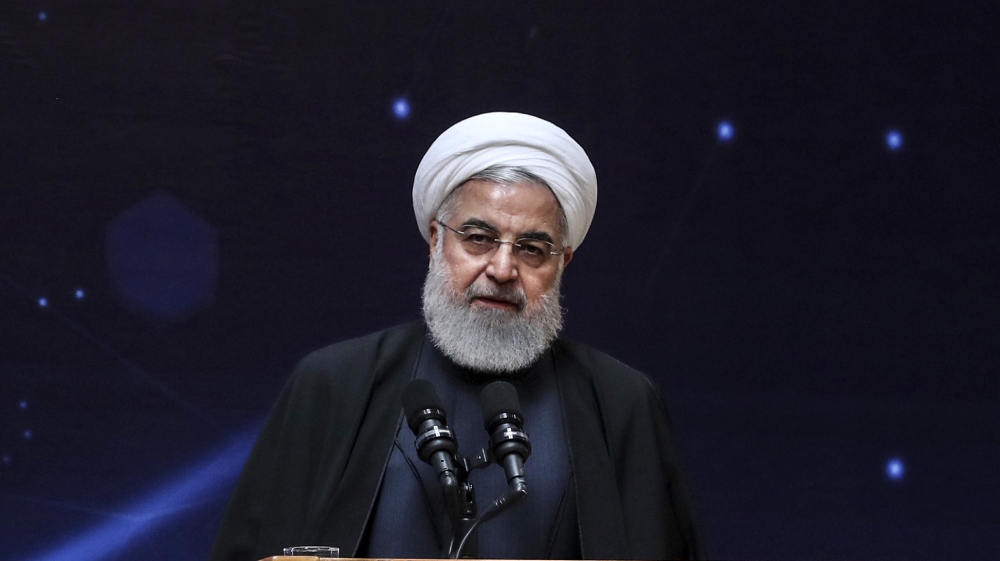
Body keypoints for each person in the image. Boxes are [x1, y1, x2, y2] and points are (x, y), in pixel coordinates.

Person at [209, 112, 705, 561]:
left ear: (562, 263)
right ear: (435, 240)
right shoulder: (333, 383)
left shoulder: (623, 403)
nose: (503, 269)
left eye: (532, 249)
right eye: (478, 239)